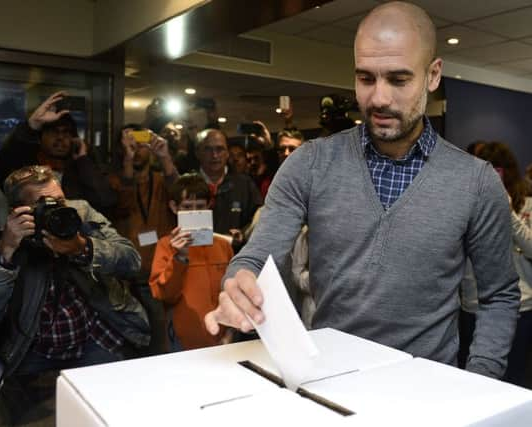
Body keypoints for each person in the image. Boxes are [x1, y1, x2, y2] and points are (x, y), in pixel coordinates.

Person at [205, 1, 520, 379]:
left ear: (433, 75)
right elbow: (255, 258)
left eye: (399, 80)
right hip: (329, 383)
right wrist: (239, 282)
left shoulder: (476, 181)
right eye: (366, 78)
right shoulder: (310, 163)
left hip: (430, 393)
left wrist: (482, 378)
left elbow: (498, 294)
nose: (379, 99)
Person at [0, 165, 149, 376]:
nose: (57, 210)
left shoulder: (79, 214)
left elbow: (132, 261)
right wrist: (6, 251)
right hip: (35, 351)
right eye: (43, 205)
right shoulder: (7, 240)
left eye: (59, 201)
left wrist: (83, 247)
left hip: (96, 337)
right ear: (18, 211)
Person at [462, 142, 532, 386]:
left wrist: (506, 211)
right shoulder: (469, 201)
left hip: (521, 306)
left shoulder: (527, 204)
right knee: (473, 381)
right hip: (471, 305)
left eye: (498, 171)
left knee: (513, 381)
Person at [108, 126, 178, 354]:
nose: (137, 150)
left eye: (141, 143)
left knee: (160, 344)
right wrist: (127, 162)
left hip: (157, 276)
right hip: (125, 280)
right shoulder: (114, 181)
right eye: (130, 144)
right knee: (127, 346)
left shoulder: (160, 180)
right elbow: (119, 205)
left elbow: (180, 195)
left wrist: (165, 156)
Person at [0, 91, 117, 215]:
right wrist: (31, 126)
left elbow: (106, 201)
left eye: (66, 132)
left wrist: (83, 160)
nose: (60, 138)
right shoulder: (28, 167)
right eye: (54, 131)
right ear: (41, 136)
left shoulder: (81, 168)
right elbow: (4, 168)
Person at [149, 174, 234, 351]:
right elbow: (163, 295)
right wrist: (179, 257)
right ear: (174, 207)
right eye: (187, 207)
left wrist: (231, 332)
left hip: (223, 338)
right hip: (183, 339)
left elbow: (232, 292)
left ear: (209, 206)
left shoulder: (223, 245)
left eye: (200, 207)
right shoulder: (166, 246)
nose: (194, 213)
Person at [196, 129, 262, 251]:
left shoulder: (244, 184)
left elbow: (258, 217)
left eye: (220, 149)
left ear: (227, 153)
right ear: (198, 152)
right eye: (208, 149)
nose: (214, 155)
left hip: (235, 257)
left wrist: (243, 233)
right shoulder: (188, 184)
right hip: (196, 258)